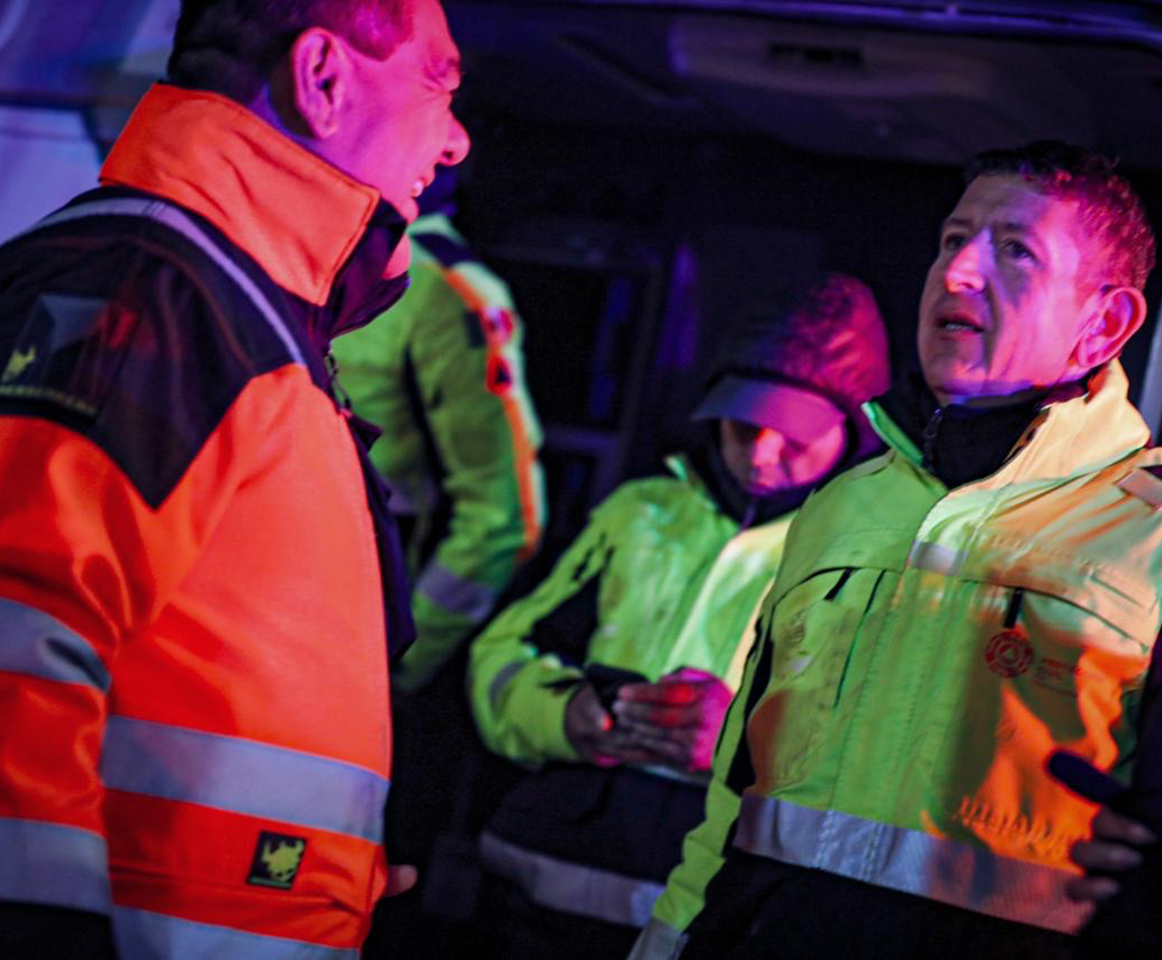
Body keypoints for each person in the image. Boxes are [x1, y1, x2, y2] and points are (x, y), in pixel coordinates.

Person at [631, 142, 1162, 959]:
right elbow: (735, 795)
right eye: (952, 239)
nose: (960, 271)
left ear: (1105, 324)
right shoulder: (843, 507)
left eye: (1015, 250)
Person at [0, 0, 469, 956]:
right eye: (438, 85)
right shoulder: (158, 290)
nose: (457, 139)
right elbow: (14, 641)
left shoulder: (226, 306)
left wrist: (321, 866)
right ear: (323, 79)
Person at [467, 273, 891, 957]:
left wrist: (739, 749)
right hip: (533, 891)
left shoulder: (875, 561)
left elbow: (887, 759)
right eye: (742, 423)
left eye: (792, 432)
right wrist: (565, 715)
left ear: (855, 429)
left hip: (715, 917)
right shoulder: (640, 512)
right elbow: (499, 659)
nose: (760, 453)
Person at [331, 172, 545, 693]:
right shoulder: (312, 253)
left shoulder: (444, 289)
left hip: (357, 630)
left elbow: (500, 517)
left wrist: (398, 665)